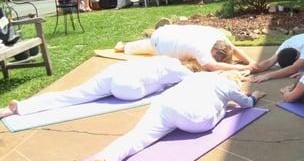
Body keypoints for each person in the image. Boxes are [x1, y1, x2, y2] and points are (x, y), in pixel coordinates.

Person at [71, 71, 266, 161]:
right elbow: (247, 103)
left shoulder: (199, 76)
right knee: (222, 109)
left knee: (137, 137)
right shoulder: (229, 85)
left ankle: (105, 159)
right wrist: (254, 95)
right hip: (195, 119)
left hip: (165, 105)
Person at [0, 56, 193, 118]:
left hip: (114, 73)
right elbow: (194, 80)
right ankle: (21, 108)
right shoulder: (178, 69)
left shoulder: (160, 59)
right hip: (127, 87)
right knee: (159, 87)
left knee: (73, 95)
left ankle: (20, 107)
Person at [115, 24, 257, 72]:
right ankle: (126, 47)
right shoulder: (201, 48)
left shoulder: (218, 36)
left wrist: (251, 62)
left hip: (168, 32)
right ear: (213, 52)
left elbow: (235, 49)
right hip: (160, 44)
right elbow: (212, 66)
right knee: (149, 48)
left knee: (145, 46)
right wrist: (244, 68)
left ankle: (125, 46)